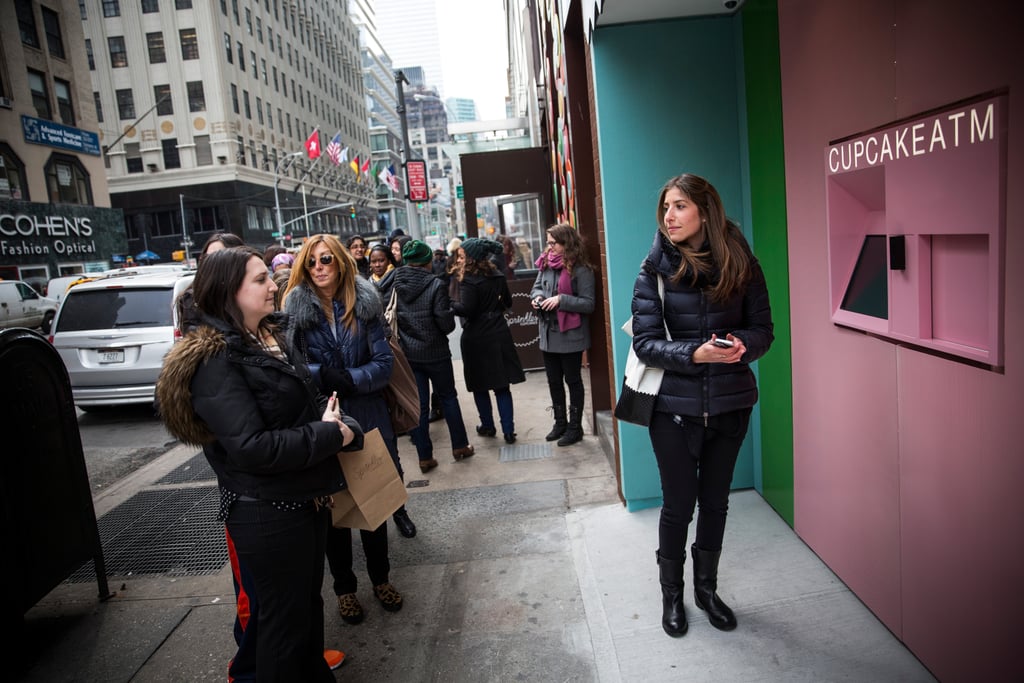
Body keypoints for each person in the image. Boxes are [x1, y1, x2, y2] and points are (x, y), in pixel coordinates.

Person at [157, 246, 362, 680]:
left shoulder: (270, 336)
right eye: (260, 279)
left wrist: (339, 424)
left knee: (305, 613)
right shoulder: (214, 360)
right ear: (228, 292)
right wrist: (329, 434)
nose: (275, 286)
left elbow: (298, 408)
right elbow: (252, 447)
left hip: (303, 500)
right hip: (267, 513)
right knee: (282, 631)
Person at [629, 173, 773, 638]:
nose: (669, 216)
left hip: (731, 404)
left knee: (715, 505)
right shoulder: (653, 270)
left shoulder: (742, 263)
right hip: (673, 408)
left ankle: (705, 590)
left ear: (705, 211)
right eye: (666, 207)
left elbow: (763, 330)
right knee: (678, 505)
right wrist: (694, 353)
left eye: (679, 206)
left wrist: (739, 346)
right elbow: (647, 343)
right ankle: (672, 594)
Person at [282, 234, 410, 626]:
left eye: (325, 260)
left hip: (368, 414)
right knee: (334, 514)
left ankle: (381, 579)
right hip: (325, 418)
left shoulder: (365, 304)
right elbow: (294, 368)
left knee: (375, 503)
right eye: (311, 263)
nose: (318, 268)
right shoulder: (296, 313)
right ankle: (344, 589)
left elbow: (383, 362)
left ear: (340, 262)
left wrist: (352, 379)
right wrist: (325, 376)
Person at [392, 240, 474, 472]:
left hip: (410, 354)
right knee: (448, 397)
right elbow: (445, 324)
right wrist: (447, 313)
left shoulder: (397, 282)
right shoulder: (436, 285)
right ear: (427, 261)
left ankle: (424, 457)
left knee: (419, 406)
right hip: (436, 353)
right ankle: (459, 446)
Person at [451, 238, 525, 443]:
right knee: (502, 385)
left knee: (480, 385)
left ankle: (488, 426)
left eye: (463, 256)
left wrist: (450, 303)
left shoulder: (469, 280)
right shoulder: (497, 275)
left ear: (472, 258)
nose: (459, 260)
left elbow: (467, 309)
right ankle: (509, 430)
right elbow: (508, 302)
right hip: (499, 332)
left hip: (477, 336)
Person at [530, 223, 596, 446]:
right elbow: (536, 287)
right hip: (548, 333)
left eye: (553, 243)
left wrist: (560, 299)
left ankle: (575, 428)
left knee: (573, 381)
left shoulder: (581, 269)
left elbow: (588, 304)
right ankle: (560, 423)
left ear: (566, 242)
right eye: (548, 243)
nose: (548, 247)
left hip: (570, 336)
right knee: (553, 381)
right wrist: (537, 298)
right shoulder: (546, 263)